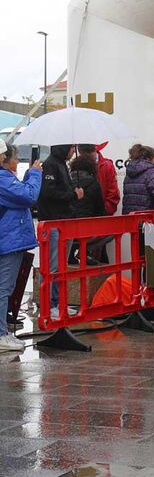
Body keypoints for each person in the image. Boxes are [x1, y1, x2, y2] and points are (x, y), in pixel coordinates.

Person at [0, 142, 41, 351]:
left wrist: (27, 178)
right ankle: (1, 335)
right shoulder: (2, 179)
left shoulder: (6, 179)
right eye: (15, 158)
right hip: (8, 240)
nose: (17, 162)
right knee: (3, 288)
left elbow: (20, 195)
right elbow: (28, 196)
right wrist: (35, 174)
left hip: (8, 240)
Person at [37, 144, 77, 315]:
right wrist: (73, 195)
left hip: (63, 221)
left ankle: (59, 302)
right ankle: (49, 304)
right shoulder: (50, 165)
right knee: (53, 265)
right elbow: (48, 192)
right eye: (72, 148)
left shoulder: (61, 164)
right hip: (53, 222)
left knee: (61, 266)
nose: (73, 151)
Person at [123, 144, 154, 215]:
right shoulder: (151, 172)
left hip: (130, 215)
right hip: (147, 216)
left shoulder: (129, 172)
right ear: (148, 159)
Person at [95, 143, 120, 216]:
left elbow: (113, 193)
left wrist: (105, 211)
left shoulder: (107, 165)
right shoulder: (76, 166)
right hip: (82, 216)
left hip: (104, 215)